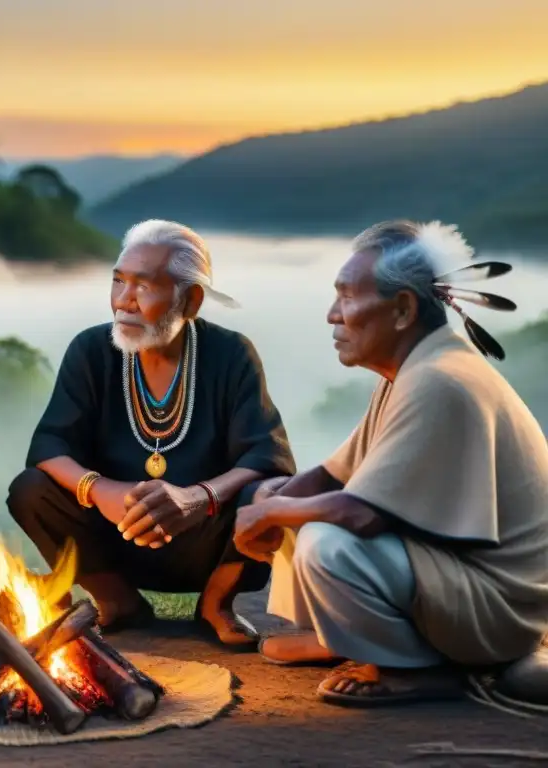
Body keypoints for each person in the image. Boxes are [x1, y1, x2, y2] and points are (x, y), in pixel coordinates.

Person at [235, 219, 548, 706]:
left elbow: (362, 512)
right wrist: (268, 499)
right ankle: (347, 636)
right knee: (290, 500)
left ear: (402, 308)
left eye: (346, 297)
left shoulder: (439, 381)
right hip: (461, 581)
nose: (331, 315)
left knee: (326, 540)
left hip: (501, 609)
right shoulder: (413, 369)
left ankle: (411, 668)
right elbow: (335, 474)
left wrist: (269, 513)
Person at [7, 219, 296, 646]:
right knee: (31, 488)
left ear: (190, 300)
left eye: (144, 286)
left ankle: (216, 604)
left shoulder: (231, 354)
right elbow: (49, 446)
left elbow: (267, 459)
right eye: (118, 282)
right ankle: (116, 601)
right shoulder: (91, 350)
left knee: (271, 491)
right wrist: (98, 489)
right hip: (115, 537)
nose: (125, 301)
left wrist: (197, 498)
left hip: (206, 541)